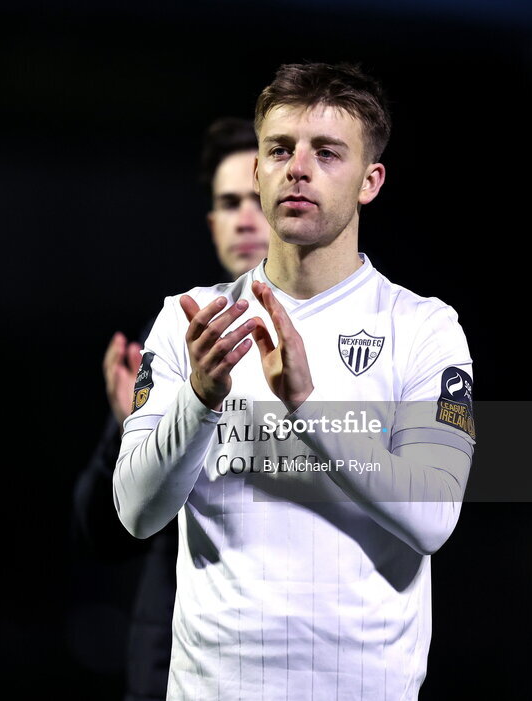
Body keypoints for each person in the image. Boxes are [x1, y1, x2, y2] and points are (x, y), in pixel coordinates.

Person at [113, 63, 475, 699]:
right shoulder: (189, 322)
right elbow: (137, 513)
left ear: (371, 181)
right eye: (279, 149)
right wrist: (199, 400)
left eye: (327, 152)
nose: (298, 168)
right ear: (256, 172)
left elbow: (434, 517)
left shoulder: (424, 328)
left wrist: (307, 404)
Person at [73, 117, 270, 701]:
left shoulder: (373, 334)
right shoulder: (171, 344)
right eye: (228, 203)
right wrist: (128, 433)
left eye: (258, 199)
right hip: (175, 658)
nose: (245, 217)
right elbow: (100, 534)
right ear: (212, 224)